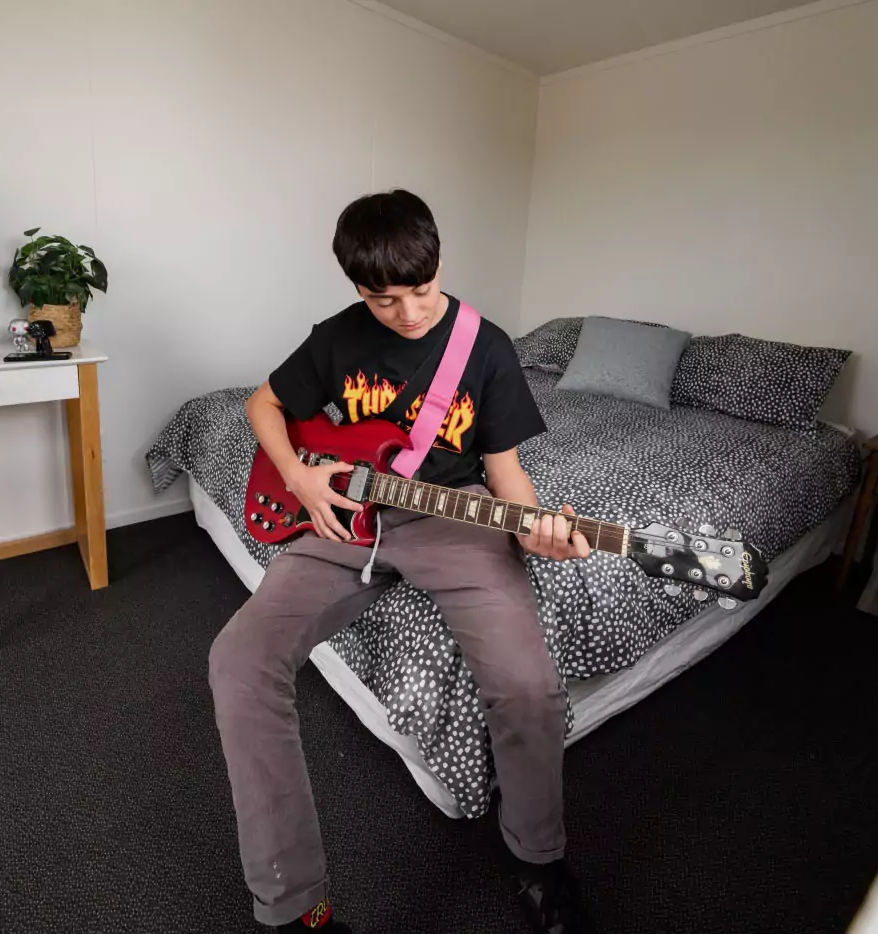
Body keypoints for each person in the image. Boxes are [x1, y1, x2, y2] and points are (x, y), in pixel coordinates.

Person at [209, 190, 597, 934]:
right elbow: (263, 405)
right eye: (385, 301)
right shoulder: (337, 338)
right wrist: (297, 476)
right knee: (238, 659)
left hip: (454, 519)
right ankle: (296, 910)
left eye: (420, 291)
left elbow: (507, 471)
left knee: (527, 687)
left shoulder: (485, 346)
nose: (410, 313)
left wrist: (533, 526)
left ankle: (538, 861)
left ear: (439, 262)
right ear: (357, 288)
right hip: (341, 519)